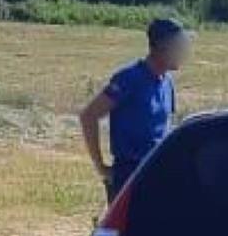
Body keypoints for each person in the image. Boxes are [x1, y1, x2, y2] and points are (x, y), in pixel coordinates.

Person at [79, 17, 192, 199]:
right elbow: (89, 116)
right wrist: (101, 167)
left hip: (158, 173)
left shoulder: (167, 82)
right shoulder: (129, 78)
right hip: (130, 177)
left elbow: (165, 130)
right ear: (162, 47)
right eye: (179, 46)